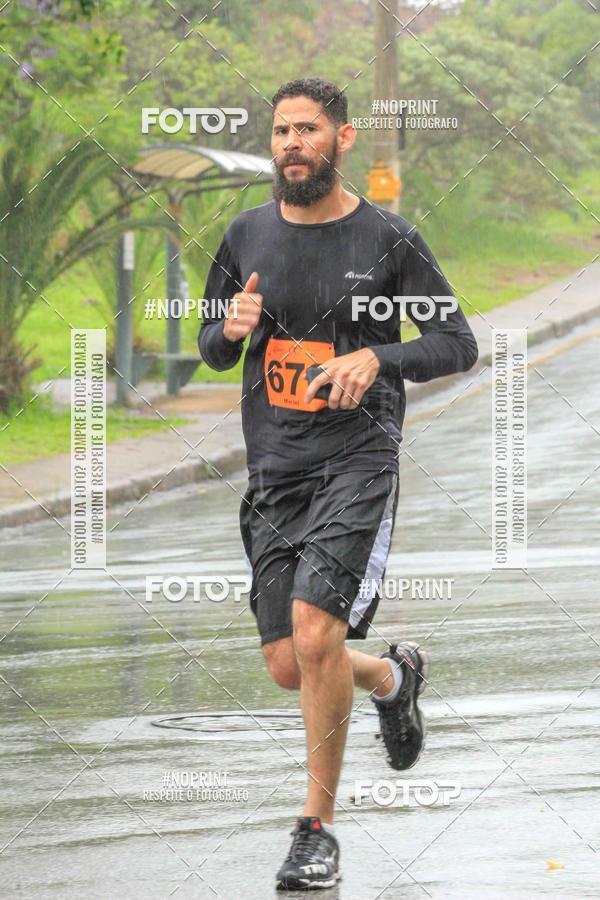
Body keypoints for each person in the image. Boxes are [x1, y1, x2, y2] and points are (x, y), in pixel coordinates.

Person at [199, 77, 478, 891]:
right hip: (275, 467)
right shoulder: (245, 233)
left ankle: (316, 829)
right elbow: (212, 348)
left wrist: (377, 357)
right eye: (281, 131)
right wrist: (229, 329)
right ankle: (393, 677)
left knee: (317, 634)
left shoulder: (389, 238)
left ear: (342, 138)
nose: (292, 143)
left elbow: (457, 343)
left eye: (308, 130)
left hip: (358, 458)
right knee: (291, 663)